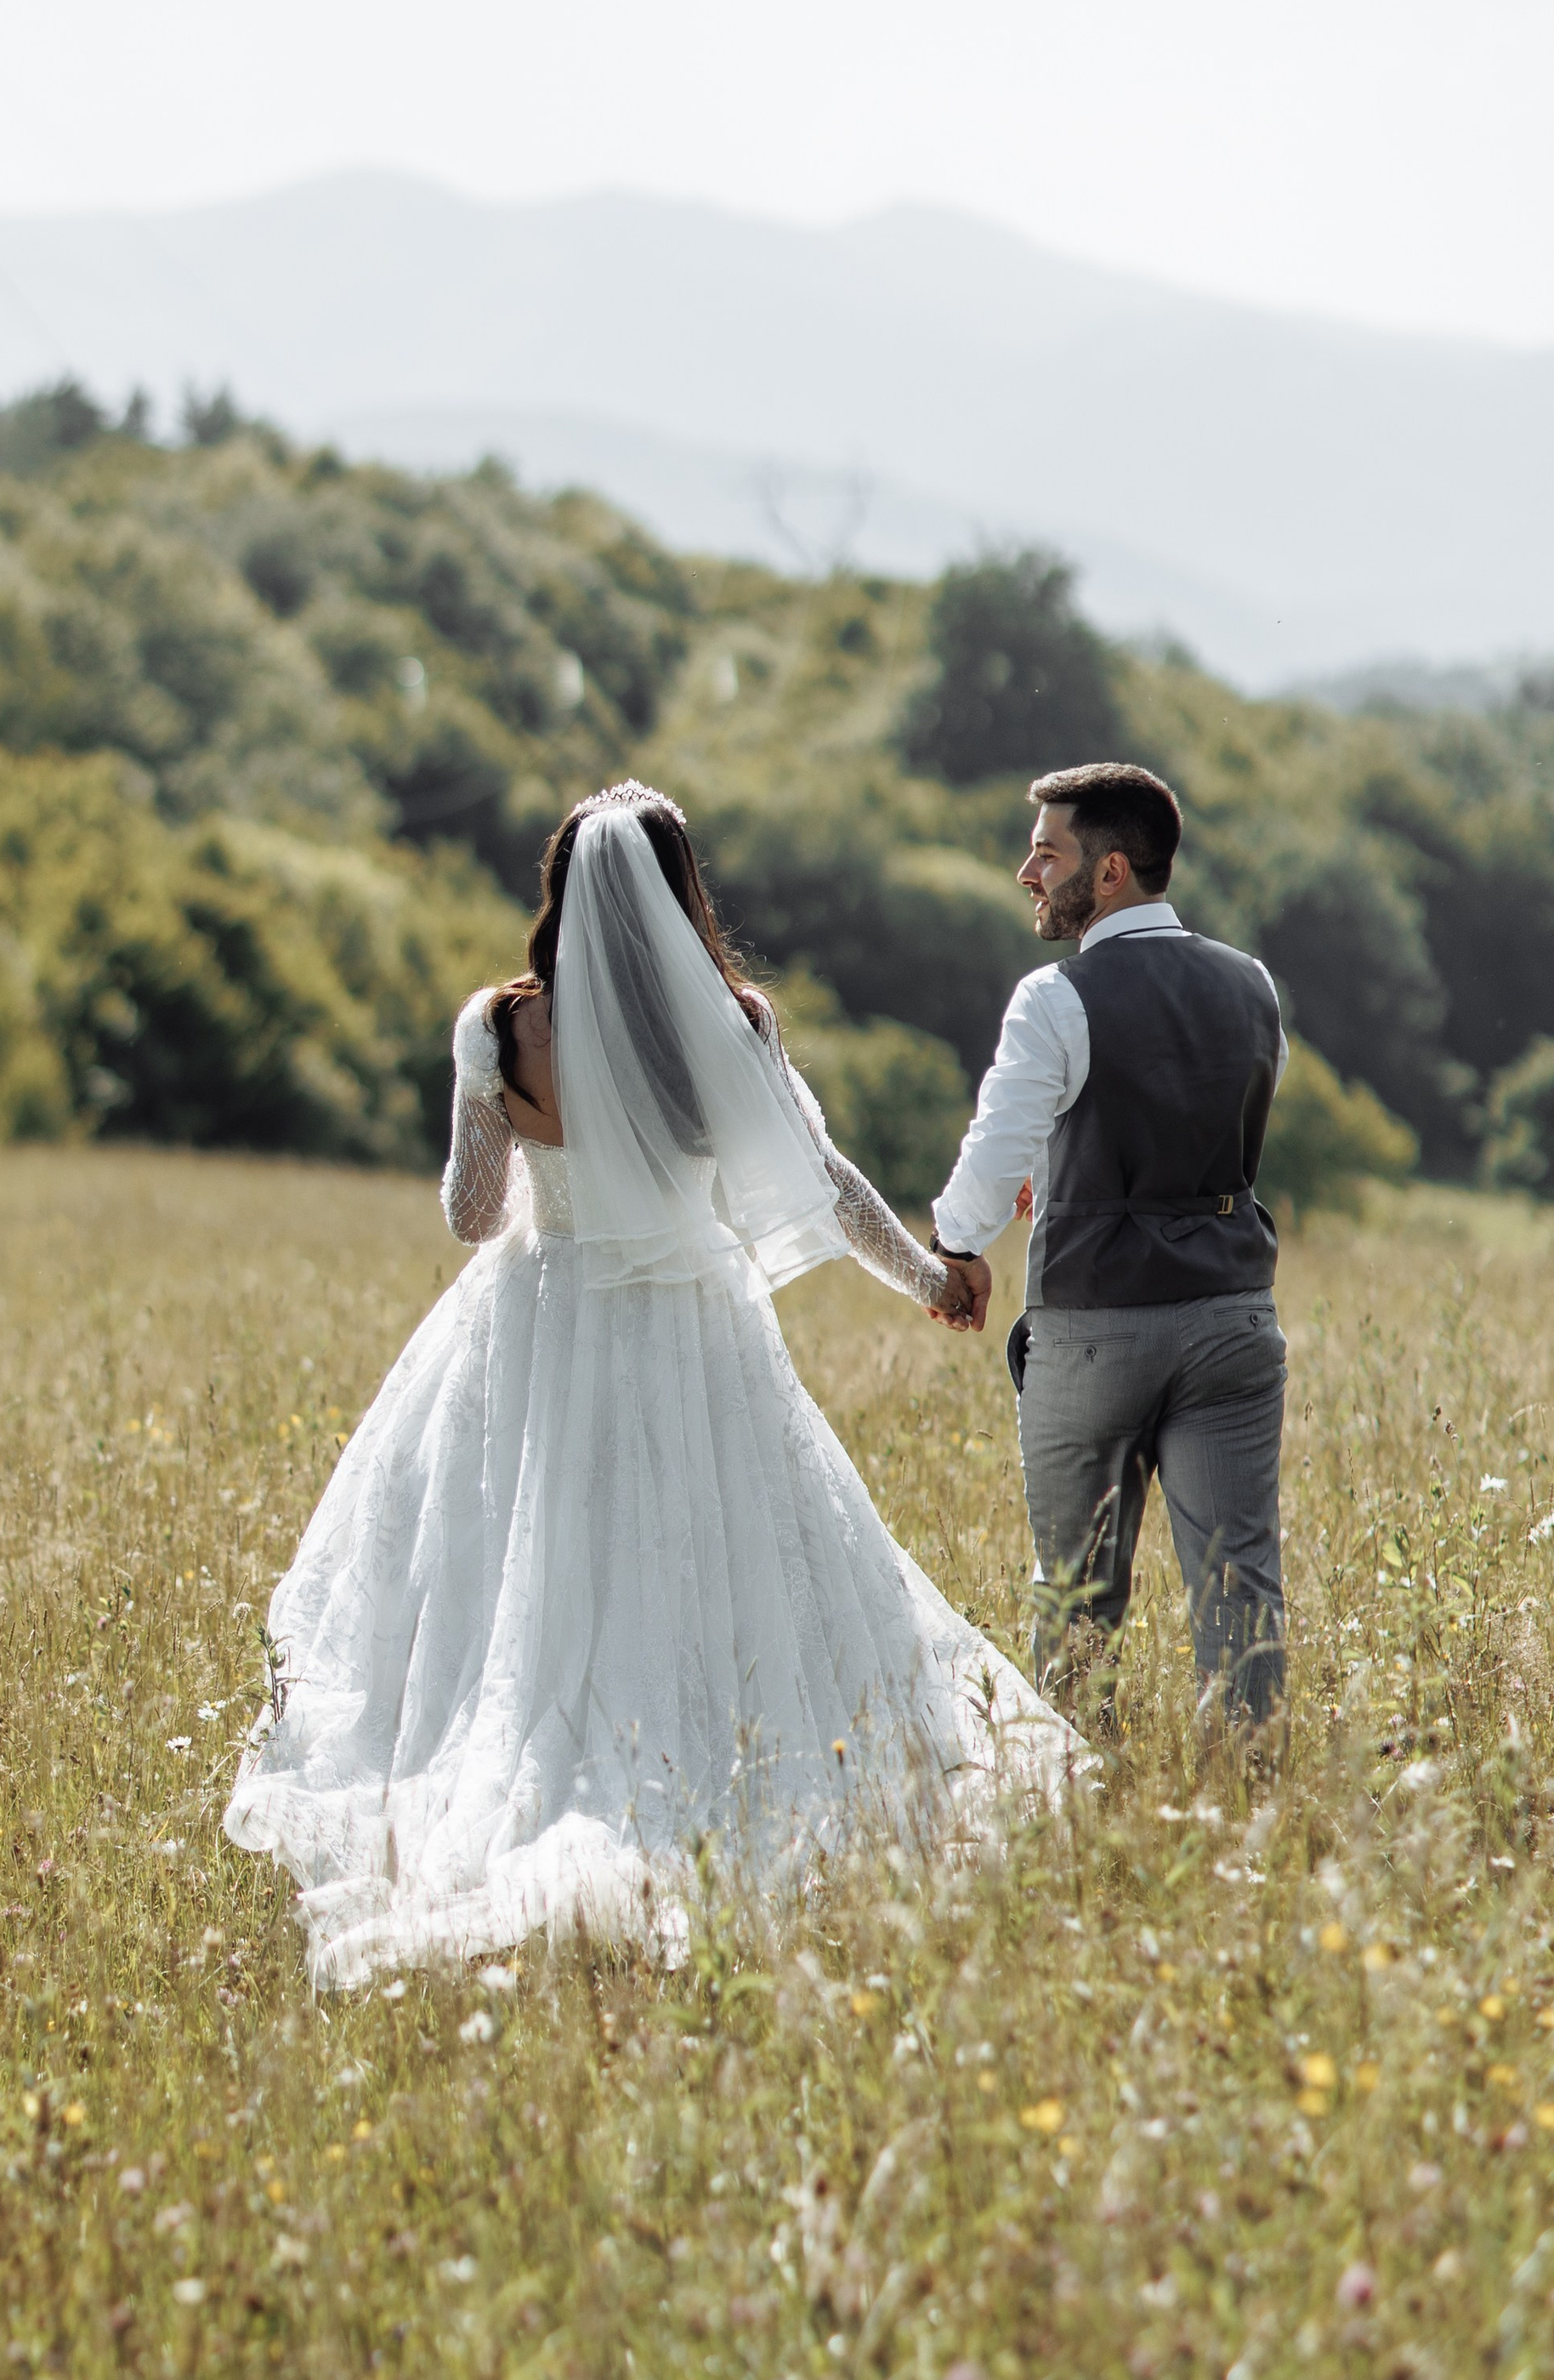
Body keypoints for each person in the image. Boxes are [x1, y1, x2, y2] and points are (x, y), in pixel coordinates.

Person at [225, 780, 1072, 1985]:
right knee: (714, 1558)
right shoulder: (731, 1023)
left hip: (539, 1323)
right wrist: (930, 1276)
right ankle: (713, 1799)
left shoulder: (500, 1027)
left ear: (558, 889)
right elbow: (824, 1182)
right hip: (692, 1327)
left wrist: (515, 1136)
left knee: (529, 1576)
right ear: (682, 895)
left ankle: (529, 1787)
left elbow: (472, 1219)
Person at [927, 759, 1289, 1729]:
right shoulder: (1252, 986)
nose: (1025, 870)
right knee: (1239, 1591)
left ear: (1111, 870)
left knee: (1078, 1597)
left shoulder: (1053, 997)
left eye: (1046, 852)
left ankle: (1085, 1802)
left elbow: (993, 1152)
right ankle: (1251, 1807)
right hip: (1233, 1320)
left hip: (1095, 1330)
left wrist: (955, 1245)